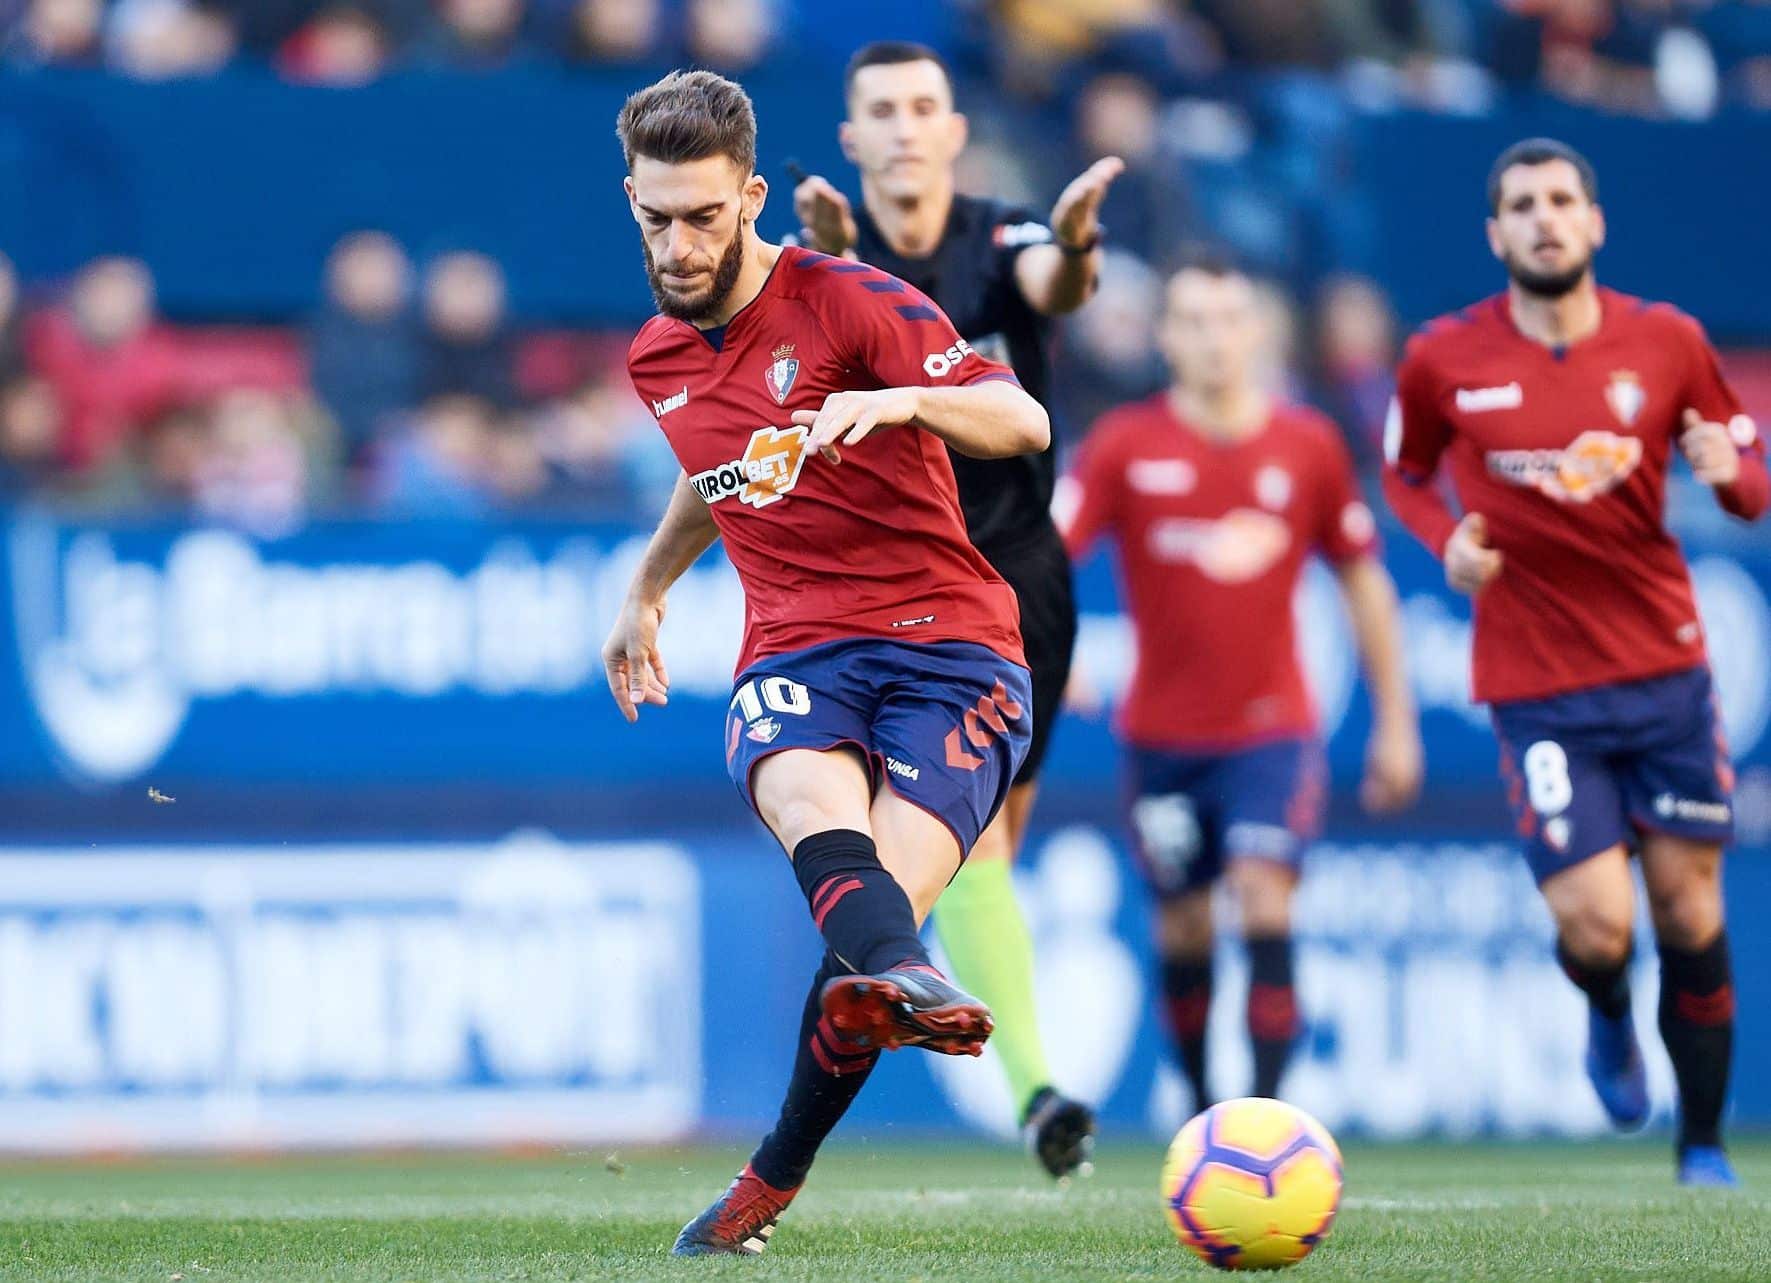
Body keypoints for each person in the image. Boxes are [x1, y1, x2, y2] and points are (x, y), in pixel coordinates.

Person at [603, 69, 1050, 1256]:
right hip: (798, 645)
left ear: (750, 197)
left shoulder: (854, 301)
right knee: (813, 810)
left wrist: (900, 401)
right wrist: (646, 587)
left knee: (864, 935)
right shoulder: (655, 358)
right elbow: (718, 478)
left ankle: (771, 1177)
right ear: (631, 200)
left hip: (952, 646)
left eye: (705, 216)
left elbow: (1023, 422)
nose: (682, 242)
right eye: (657, 218)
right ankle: (908, 974)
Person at [1382, 138, 1768, 1187]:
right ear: (1493, 233)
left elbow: (1749, 489)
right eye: (1521, 204)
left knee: (1690, 908)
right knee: (1597, 923)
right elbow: (1405, 472)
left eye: (1561, 200)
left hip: (1664, 669)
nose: (1544, 218)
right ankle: (1605, 1010)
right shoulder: (1442, 357)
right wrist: (1445, 540)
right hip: (1537, 682)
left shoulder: (1668, 340)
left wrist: (1734, 474)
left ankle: (1700, 1144)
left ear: (1594, 223)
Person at [791, 39, 1121, 1176]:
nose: (901, 125)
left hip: (1018, 574)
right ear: (851, 137)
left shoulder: (1004, 236)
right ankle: (1031, 1087)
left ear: (951, 129)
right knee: (959, 841)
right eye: (878, 107)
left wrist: (1077, 243)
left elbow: (1056, 286)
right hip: (892, 587)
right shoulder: (822, 261)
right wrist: (822, 263)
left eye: (921, 105)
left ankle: (975, 1053)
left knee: (990, 842)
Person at [1061, 254, 1421, 1111]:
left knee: (1264, 894)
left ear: (1257, 334)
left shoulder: (1307, 446)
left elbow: (1364, 580)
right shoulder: (1124, 446)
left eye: (1228, 320)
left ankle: (1260, 1119)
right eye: (1192, 321)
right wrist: (1050, 644)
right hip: (1161, 737)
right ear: (1164, 337)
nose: (1213, 339)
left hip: (1271, 730)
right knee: (1183, 923)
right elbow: (1042, 554)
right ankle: (1196, 1107)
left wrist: (1395, 722)